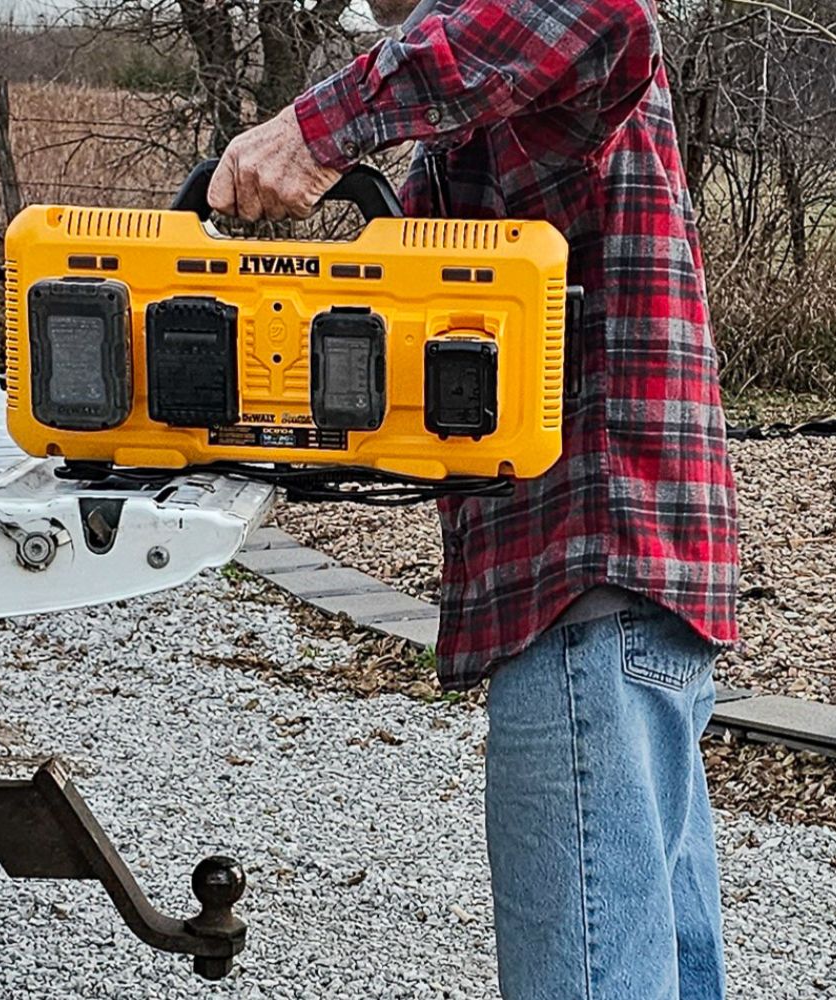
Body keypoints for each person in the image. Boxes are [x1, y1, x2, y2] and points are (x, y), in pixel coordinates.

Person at [207, 0, 739, 997]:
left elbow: (607, 9)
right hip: (622, 608)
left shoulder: (557, 63)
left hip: (590, 590)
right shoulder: (485, 131)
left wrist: (317, 127)